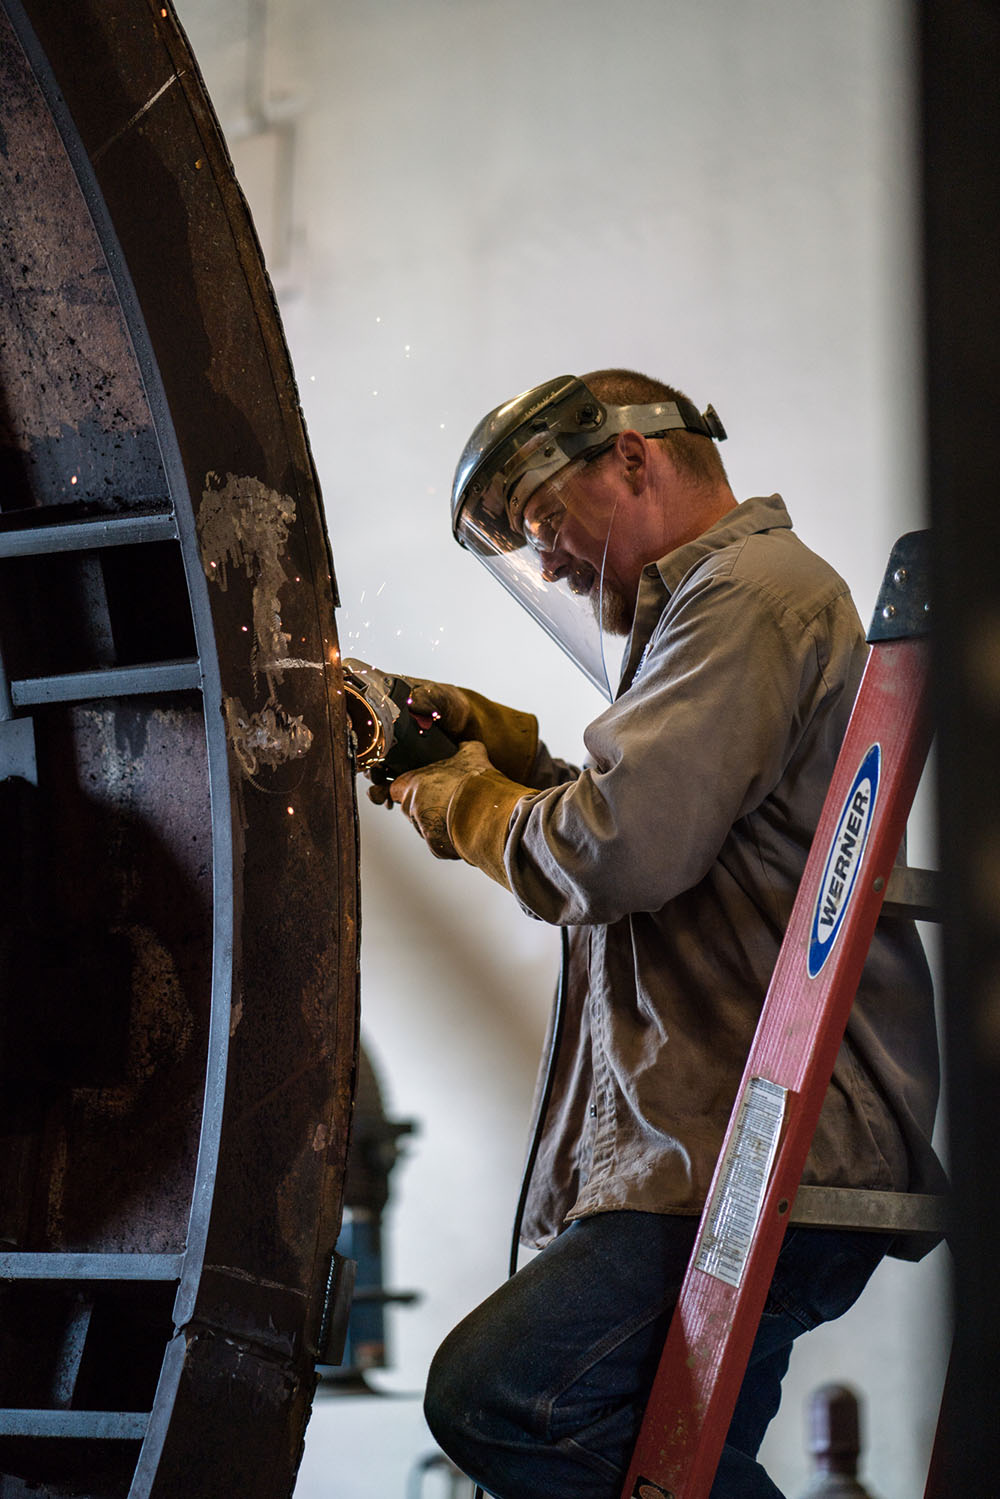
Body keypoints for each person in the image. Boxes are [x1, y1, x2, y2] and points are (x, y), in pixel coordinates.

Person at [373, 369, 943, 1499]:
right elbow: (654, 831)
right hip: (730, 1141)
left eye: (545, 521)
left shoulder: (746, 596)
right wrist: (499, 751)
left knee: (497, 1395)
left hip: (763, 1139)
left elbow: (611, 851)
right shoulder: (713, 609)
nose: (547, 565)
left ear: (631, 458)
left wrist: (452, 795)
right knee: (670, 1463)